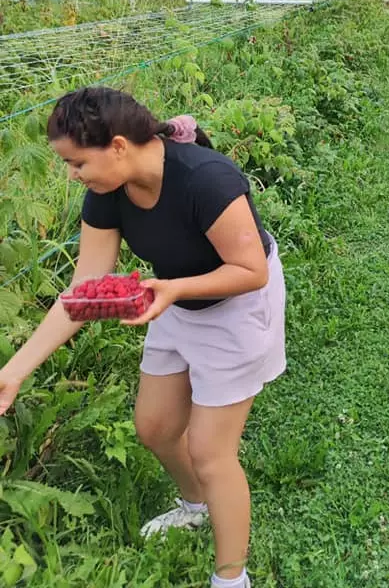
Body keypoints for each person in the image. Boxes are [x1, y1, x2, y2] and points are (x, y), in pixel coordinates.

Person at [0, 87, 286, 588]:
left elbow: (251, 270)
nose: (72, 176)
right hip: (171, 298)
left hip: (235, 305)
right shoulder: (108, 193)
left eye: (76, 163)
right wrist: (13, 372)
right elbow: (83, 293)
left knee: (209, 451)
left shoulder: (205, 179)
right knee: (154, 427)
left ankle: (232, 579)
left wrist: (173, 289)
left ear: (116, 146)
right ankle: (195, 506)